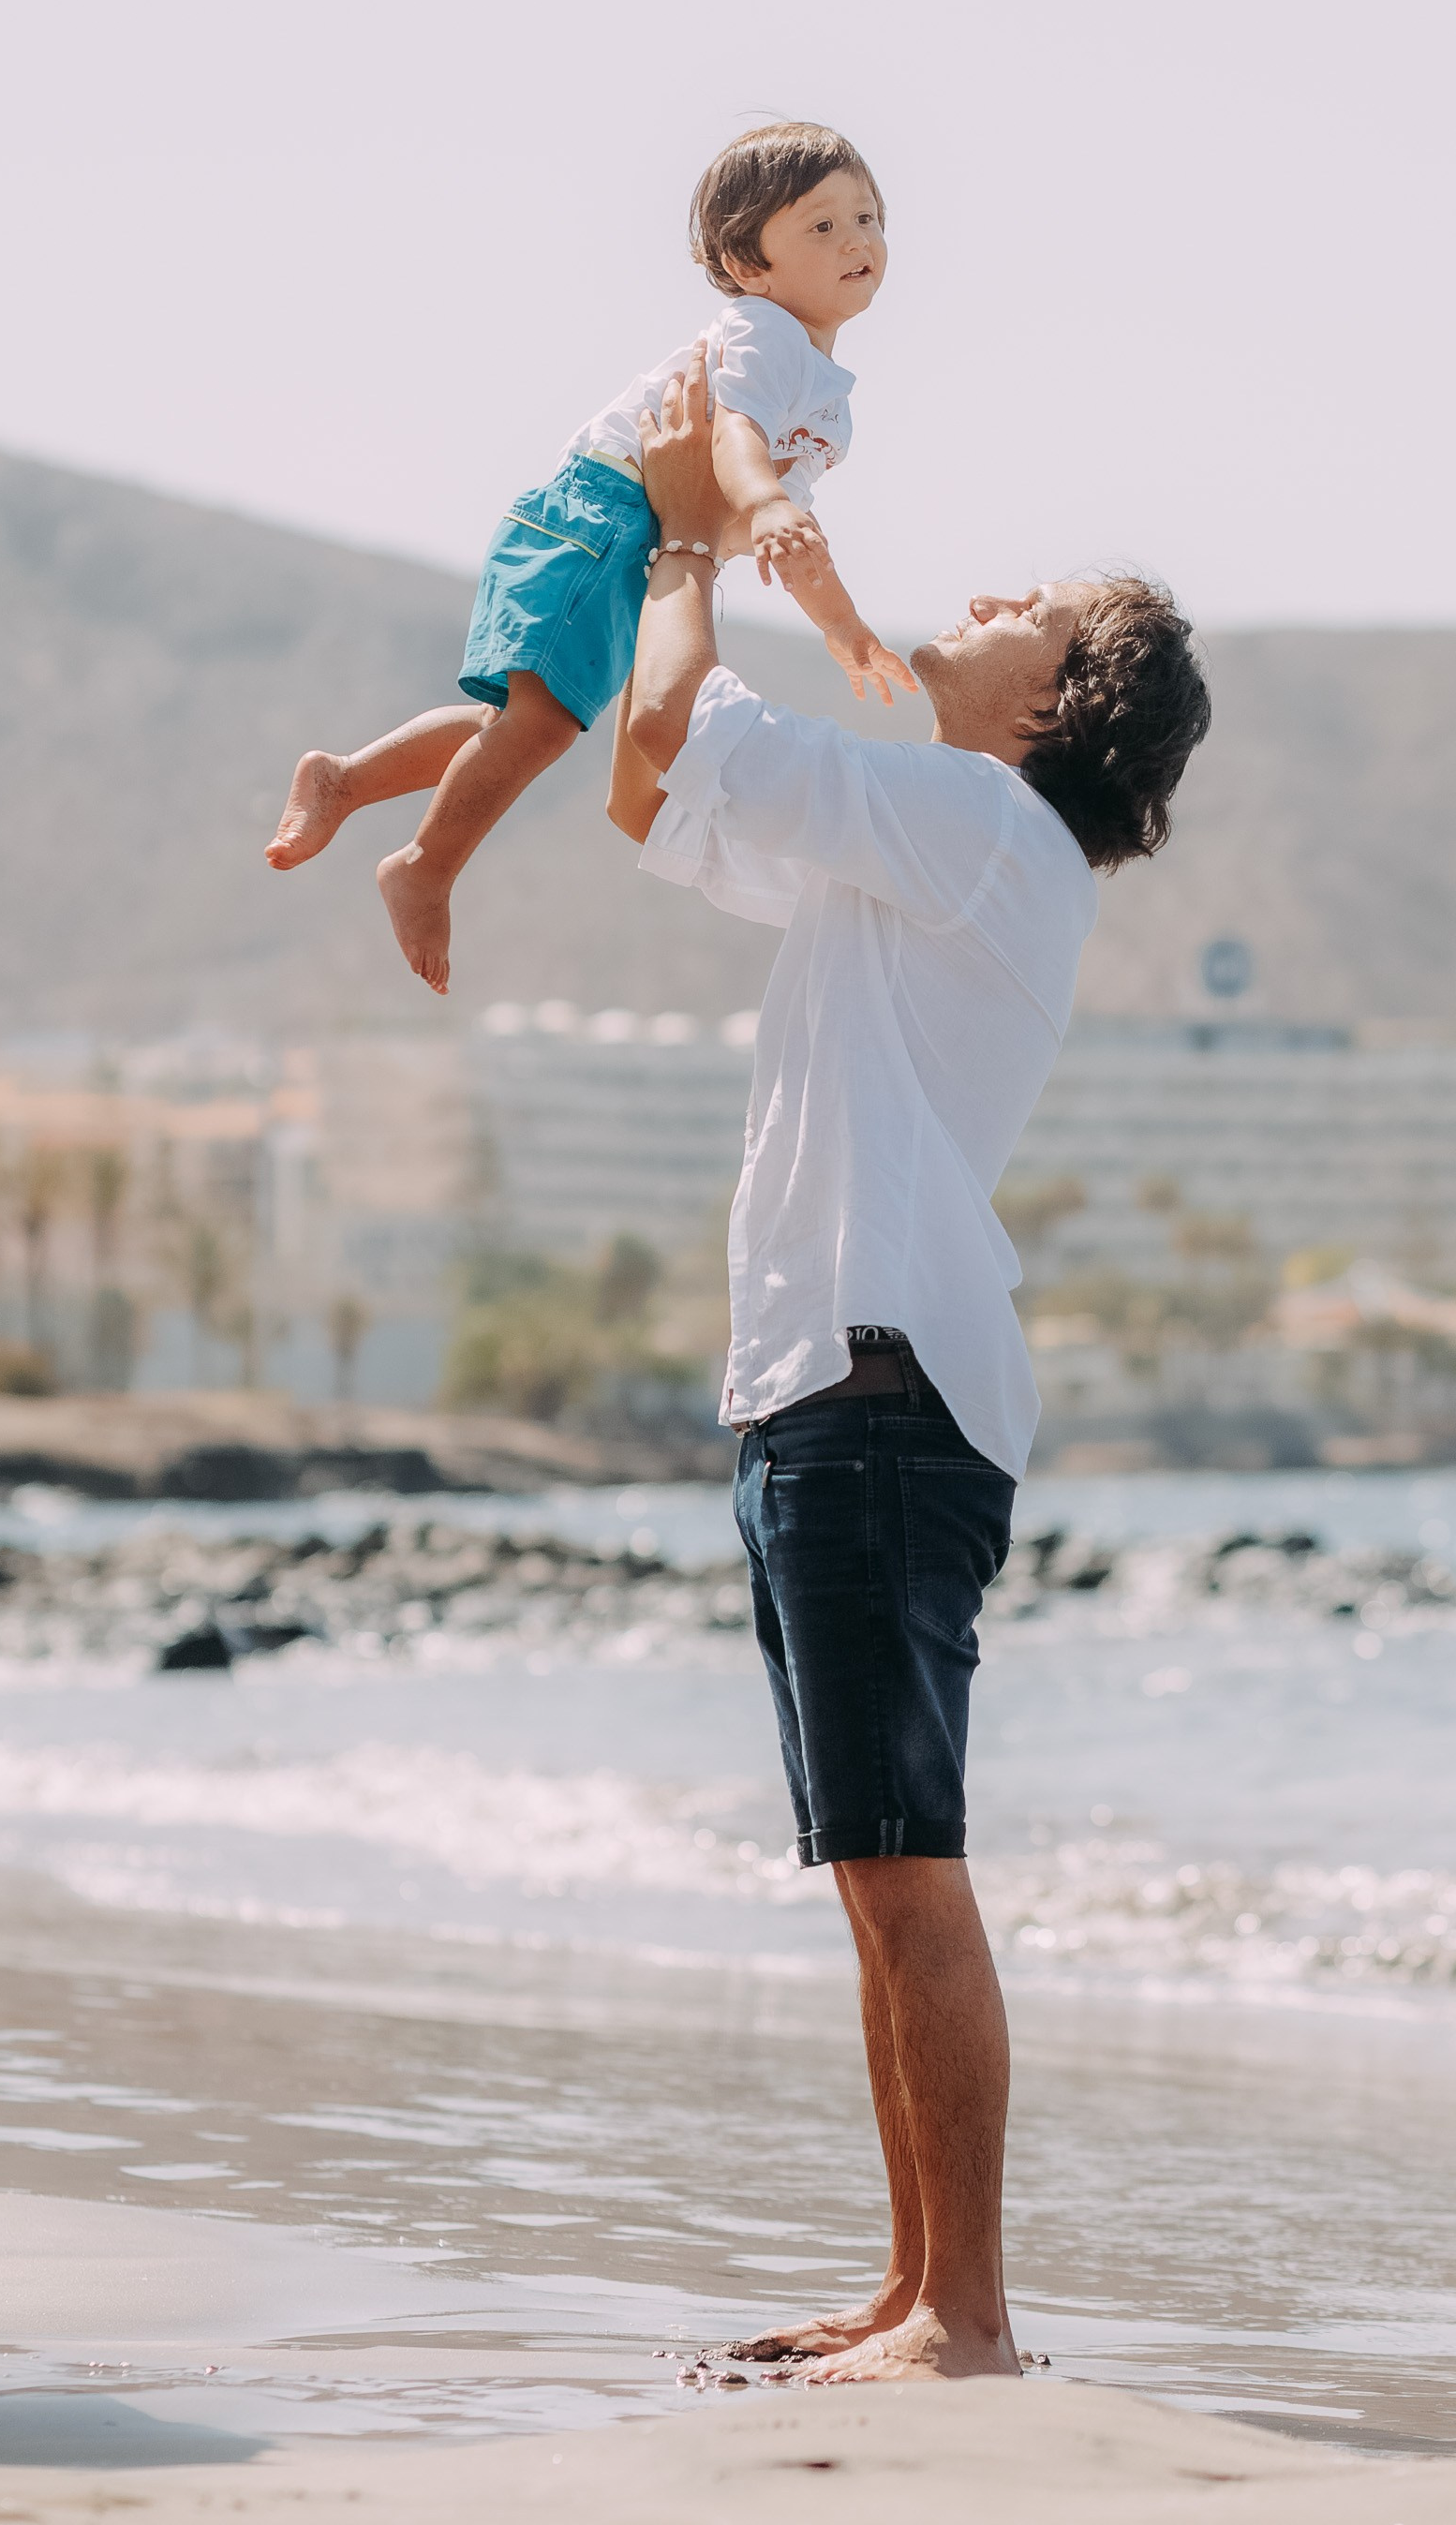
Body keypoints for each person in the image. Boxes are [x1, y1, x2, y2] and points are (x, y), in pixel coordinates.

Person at [606, 349, 1211, 2384]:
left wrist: (688, 530)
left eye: (1009, 615)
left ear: (1049, 708)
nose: (967, 613)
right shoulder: (921, 845)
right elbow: (662, 785)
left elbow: (700, 713)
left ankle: (966, 2313)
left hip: (880, 1391)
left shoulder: (975, 829)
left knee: (908, 1868)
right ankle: (910, 2287)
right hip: (826, 1385)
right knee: (872, 1871)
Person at [264, 121, 914, 993]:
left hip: (640, 542)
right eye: (822, 226)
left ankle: (345, 781)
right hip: (604, 511)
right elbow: (735, 439)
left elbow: (794, 538)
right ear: (749, 263)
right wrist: (757, 498)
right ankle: (424, 864)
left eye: (867, 217)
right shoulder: (762, 334)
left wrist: (845, 631)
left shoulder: (831, 405)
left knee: (536, 722)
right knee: (542, 724)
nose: (857, 240)